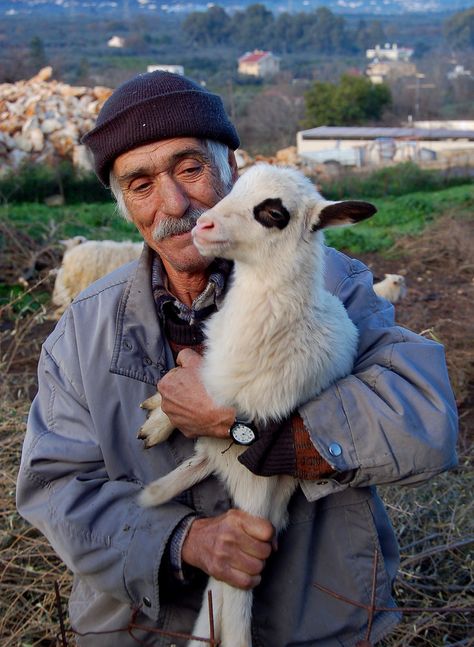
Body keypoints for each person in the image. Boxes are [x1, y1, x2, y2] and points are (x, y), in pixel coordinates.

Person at [16, 71, 458, 647]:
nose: (173, 204)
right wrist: (185, 541)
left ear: (232, 169)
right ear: (122, 203)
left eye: (191, 168)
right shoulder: (84, 331)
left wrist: (238, 423)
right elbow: (55, 488)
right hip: (140, 631)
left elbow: (425, 423)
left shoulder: (337, 288)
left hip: (311, 625)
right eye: (141, 184)